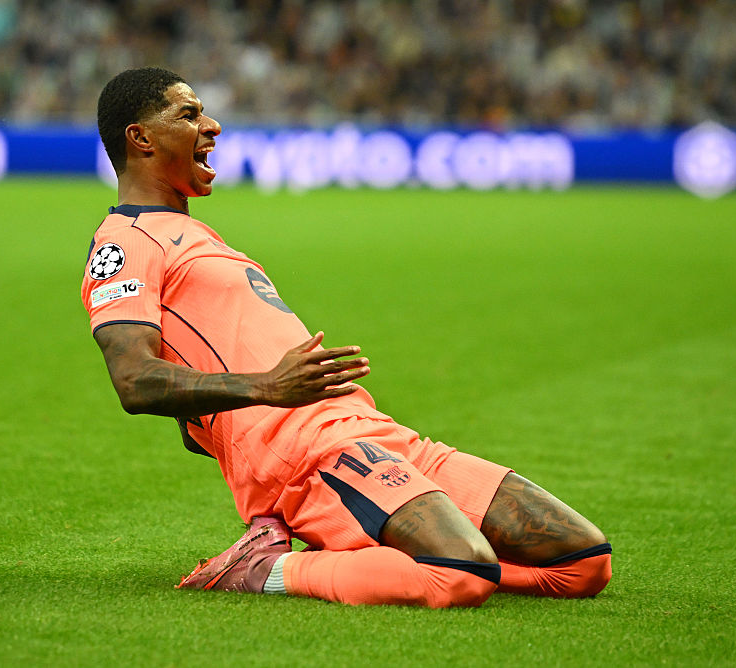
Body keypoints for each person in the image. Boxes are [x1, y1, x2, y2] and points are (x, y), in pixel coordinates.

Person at [82, 67, 612, 607]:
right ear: (141, 137)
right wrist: (265, 389)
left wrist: (209, 419)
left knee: (583, 562)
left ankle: (397, 556)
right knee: (458, 572)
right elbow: (134, 379)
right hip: (308, 452)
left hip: (368, 429)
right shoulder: (124, 243)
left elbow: (200, 375)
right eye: (189, 115)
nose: (212, 126)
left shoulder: (193, 234)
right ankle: (266, 570)